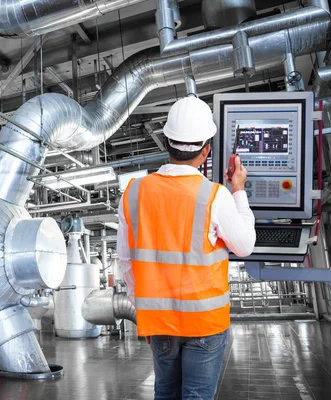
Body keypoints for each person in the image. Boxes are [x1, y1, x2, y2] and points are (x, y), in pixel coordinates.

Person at [117, 96, 256, 400]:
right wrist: (239, 190)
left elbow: (126, 263)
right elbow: (244, 245)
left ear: (166, 142)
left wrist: (145, 313)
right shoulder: (215, 196)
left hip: (159, 323)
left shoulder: (133, 193)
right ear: (206, 150)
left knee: (165, 394)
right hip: (206, 324)